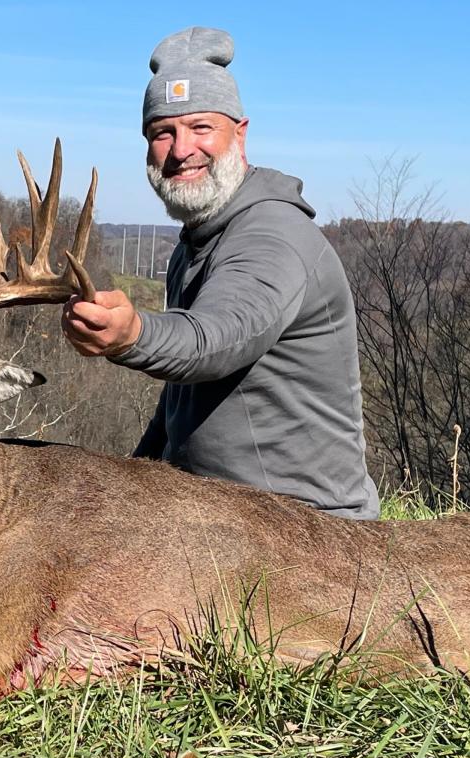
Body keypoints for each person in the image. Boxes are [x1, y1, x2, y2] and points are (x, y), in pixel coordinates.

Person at [61, 26, 380, 519]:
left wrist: (132, 334)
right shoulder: (195, 241)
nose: (182, 149)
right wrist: (130, 477)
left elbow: (213, 341)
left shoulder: (271, 235)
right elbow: (183, 399)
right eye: (163, 132)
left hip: (305, 528)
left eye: (201, 127)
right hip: (217, 516)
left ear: (240, 132)